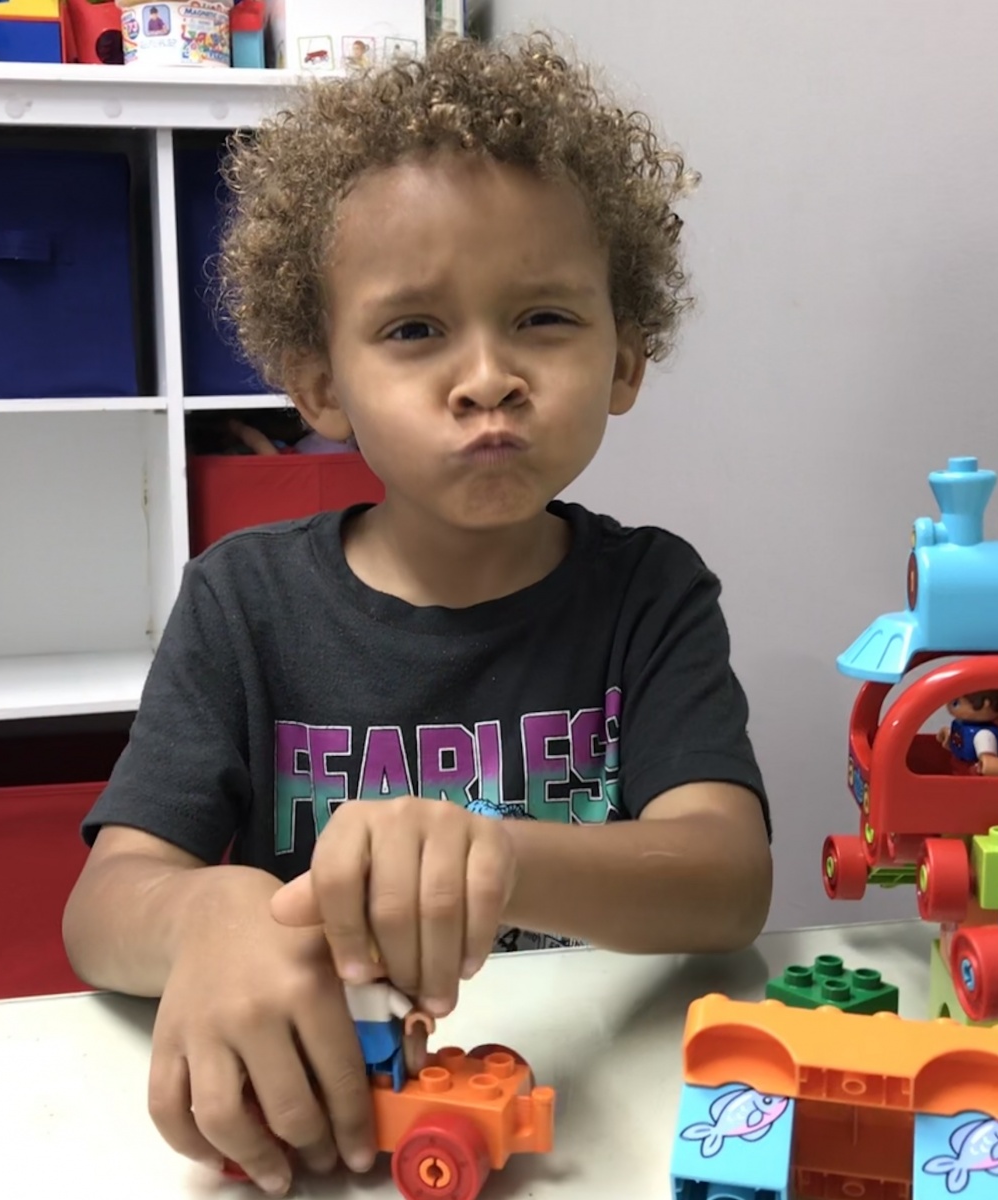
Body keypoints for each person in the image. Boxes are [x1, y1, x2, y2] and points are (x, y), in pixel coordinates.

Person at [62, 31, 774, 1197]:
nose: (487, 376)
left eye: (543, 318)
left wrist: (499, 857)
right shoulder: (243, 602)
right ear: (320, 383)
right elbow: (101, 909)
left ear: (625, 358)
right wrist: (208, 914)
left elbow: (725, 878)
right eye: (412, 330)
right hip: (324, 1134)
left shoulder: (648, 594)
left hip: (600, 1140)